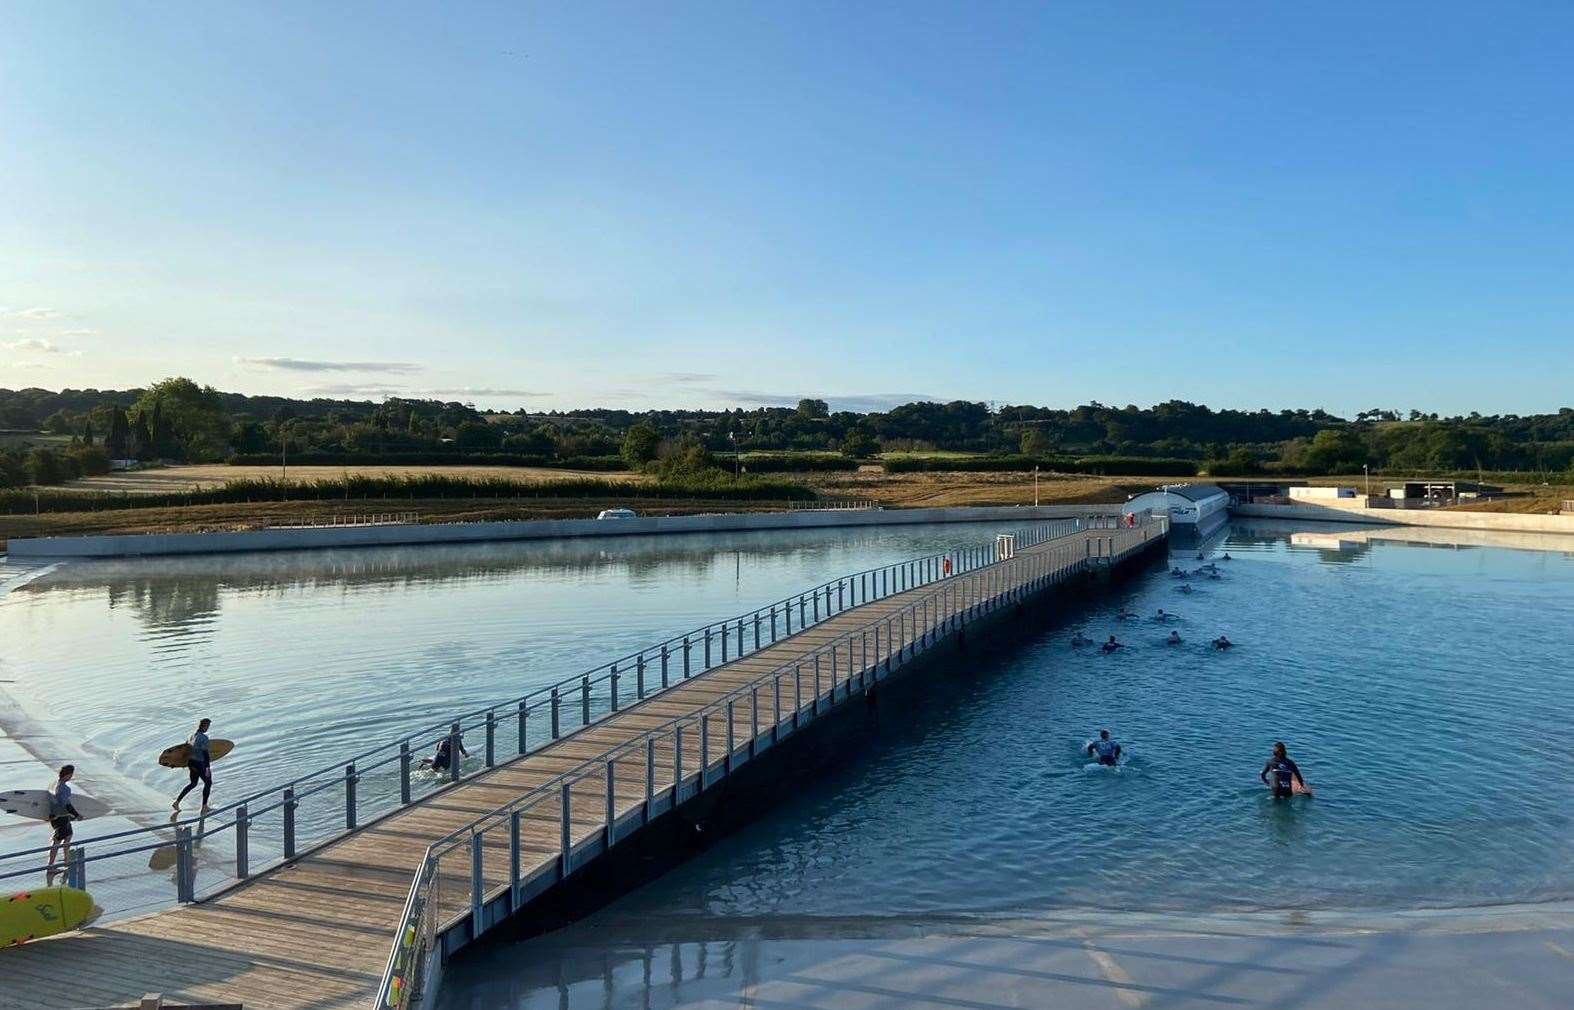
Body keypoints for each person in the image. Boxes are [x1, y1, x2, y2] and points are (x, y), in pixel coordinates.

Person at [45, 764, 83, 883]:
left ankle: (67, 861)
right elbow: (66, 804)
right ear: (67, 775)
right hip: (61, 817)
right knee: (57, 840)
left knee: (68, 836)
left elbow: (53, 802)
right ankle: (50, 867)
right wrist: (76, 815)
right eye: (71, 774)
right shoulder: (65, 788)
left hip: (56, 817)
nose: (71, 776)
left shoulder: (54, 784)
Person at [173, 718, 214, 814]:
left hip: (191, 762)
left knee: (193, 783)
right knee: (208, 783)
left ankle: (176, 802)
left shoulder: (191, 736)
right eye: (208, 726)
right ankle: (204, 807)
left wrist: (183, 763)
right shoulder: (204, 738)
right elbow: (205, 753)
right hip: (199, 763)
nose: (208, 728)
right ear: (205, 726)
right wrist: (207, 768)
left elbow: (186, 749)